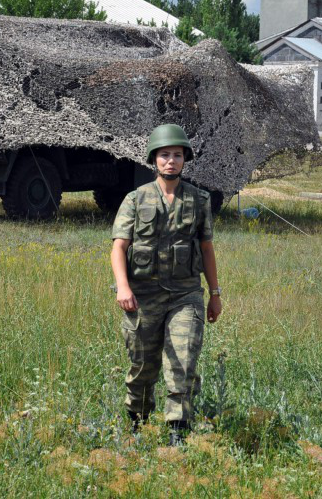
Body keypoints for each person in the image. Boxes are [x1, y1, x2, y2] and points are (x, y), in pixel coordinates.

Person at [110, 124, 222, 446]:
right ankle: (137, 424)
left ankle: (177, 432)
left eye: (176, 155)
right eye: (164, 155)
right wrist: (123, 287)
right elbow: (119, 247)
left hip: (186, 295)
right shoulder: (135, 199)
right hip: (143, 296)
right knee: (142, 367)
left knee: (182, 362)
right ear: (154, 160)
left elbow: (207, 249)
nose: (170, 161)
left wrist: (215, 294)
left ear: (185, 159)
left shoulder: (199, 200)